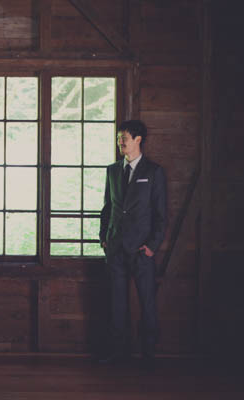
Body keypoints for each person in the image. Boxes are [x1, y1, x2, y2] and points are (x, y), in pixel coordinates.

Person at [99, 120, 167, 368]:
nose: (120, 142)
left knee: (147, 303)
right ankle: (119, 354)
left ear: (138, 139)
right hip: (115, 248)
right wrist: (103, 238)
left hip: (141, 251)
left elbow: (161, 214)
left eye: (124, 137)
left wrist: (152, 246)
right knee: (117, 305)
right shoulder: (112, 170)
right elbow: (108, 208)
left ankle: (149, 356)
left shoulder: (154, 172)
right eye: (119, 137)